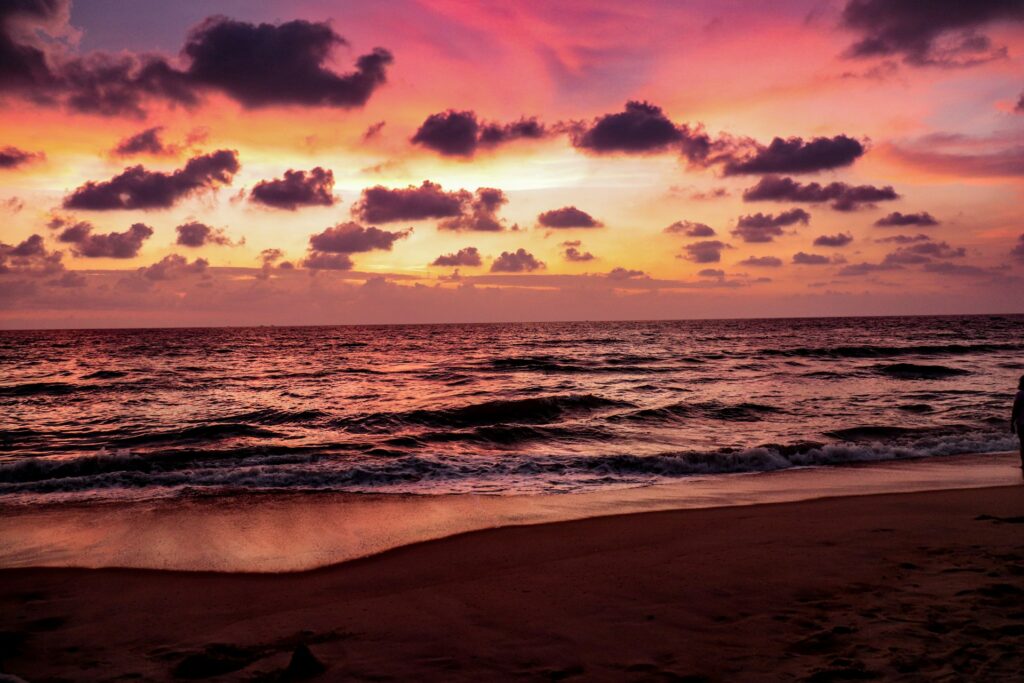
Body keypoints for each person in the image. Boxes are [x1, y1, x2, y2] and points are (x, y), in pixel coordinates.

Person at [1013, 375, 1024, 476]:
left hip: (1022, 423)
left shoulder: (1020, 394)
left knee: (1023, 444)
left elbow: (1015, 410)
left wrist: (1011, 423)